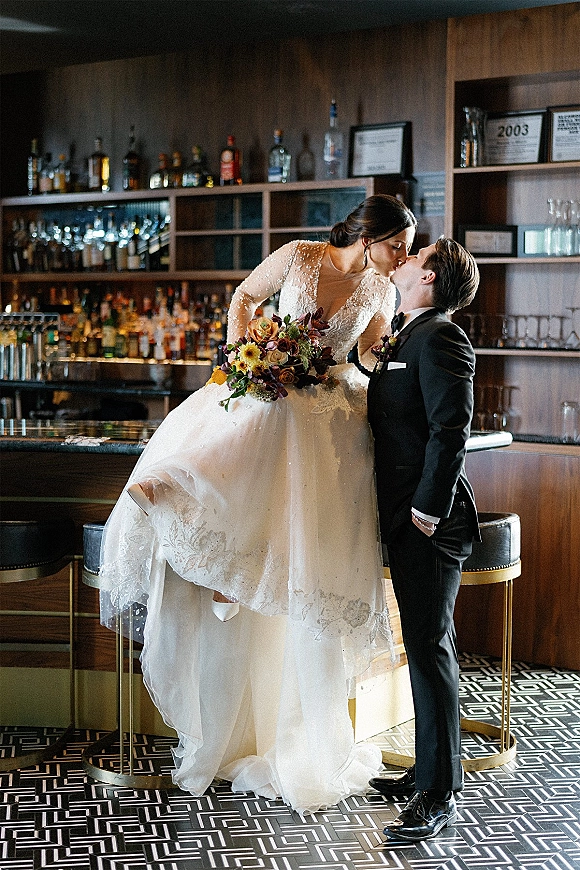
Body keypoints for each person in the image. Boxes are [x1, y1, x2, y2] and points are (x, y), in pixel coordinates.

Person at [98, 194, 417, 815]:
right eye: (397, 244)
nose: (402, 256)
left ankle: (249, 586)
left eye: (407, 249)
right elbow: (245, 297)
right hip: (271, 388)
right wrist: (250, 355)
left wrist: (392, 354)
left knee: (299, 531)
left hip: (325, 417)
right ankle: (185, 501)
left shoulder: (382, 292)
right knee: (251, 424)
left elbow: (368, 356)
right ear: (370, 234)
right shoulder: (300, 257)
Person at [366, 238, 480, 842]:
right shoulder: (408, 331)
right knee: (423, 643)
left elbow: (450, 430)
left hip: (430, 524)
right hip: (405, 519)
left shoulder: (440, 336)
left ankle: (439, 794)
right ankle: (427, 771)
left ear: (430, 275)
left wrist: (426, 512)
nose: (403, 258)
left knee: (431, 648)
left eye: (415, 256)